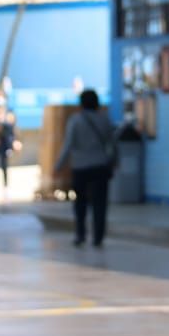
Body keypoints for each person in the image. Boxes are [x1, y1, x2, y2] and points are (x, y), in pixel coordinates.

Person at [55, 89, 117, 248]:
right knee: (100, 203)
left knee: (80, 202)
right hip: (100, 166)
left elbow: (68, 145)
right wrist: (115, 160)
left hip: (80, 167)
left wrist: (58, 166)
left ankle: (80, 234)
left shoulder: (75, 121)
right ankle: (98, 236)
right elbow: (113, 143)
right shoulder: (105, 120)